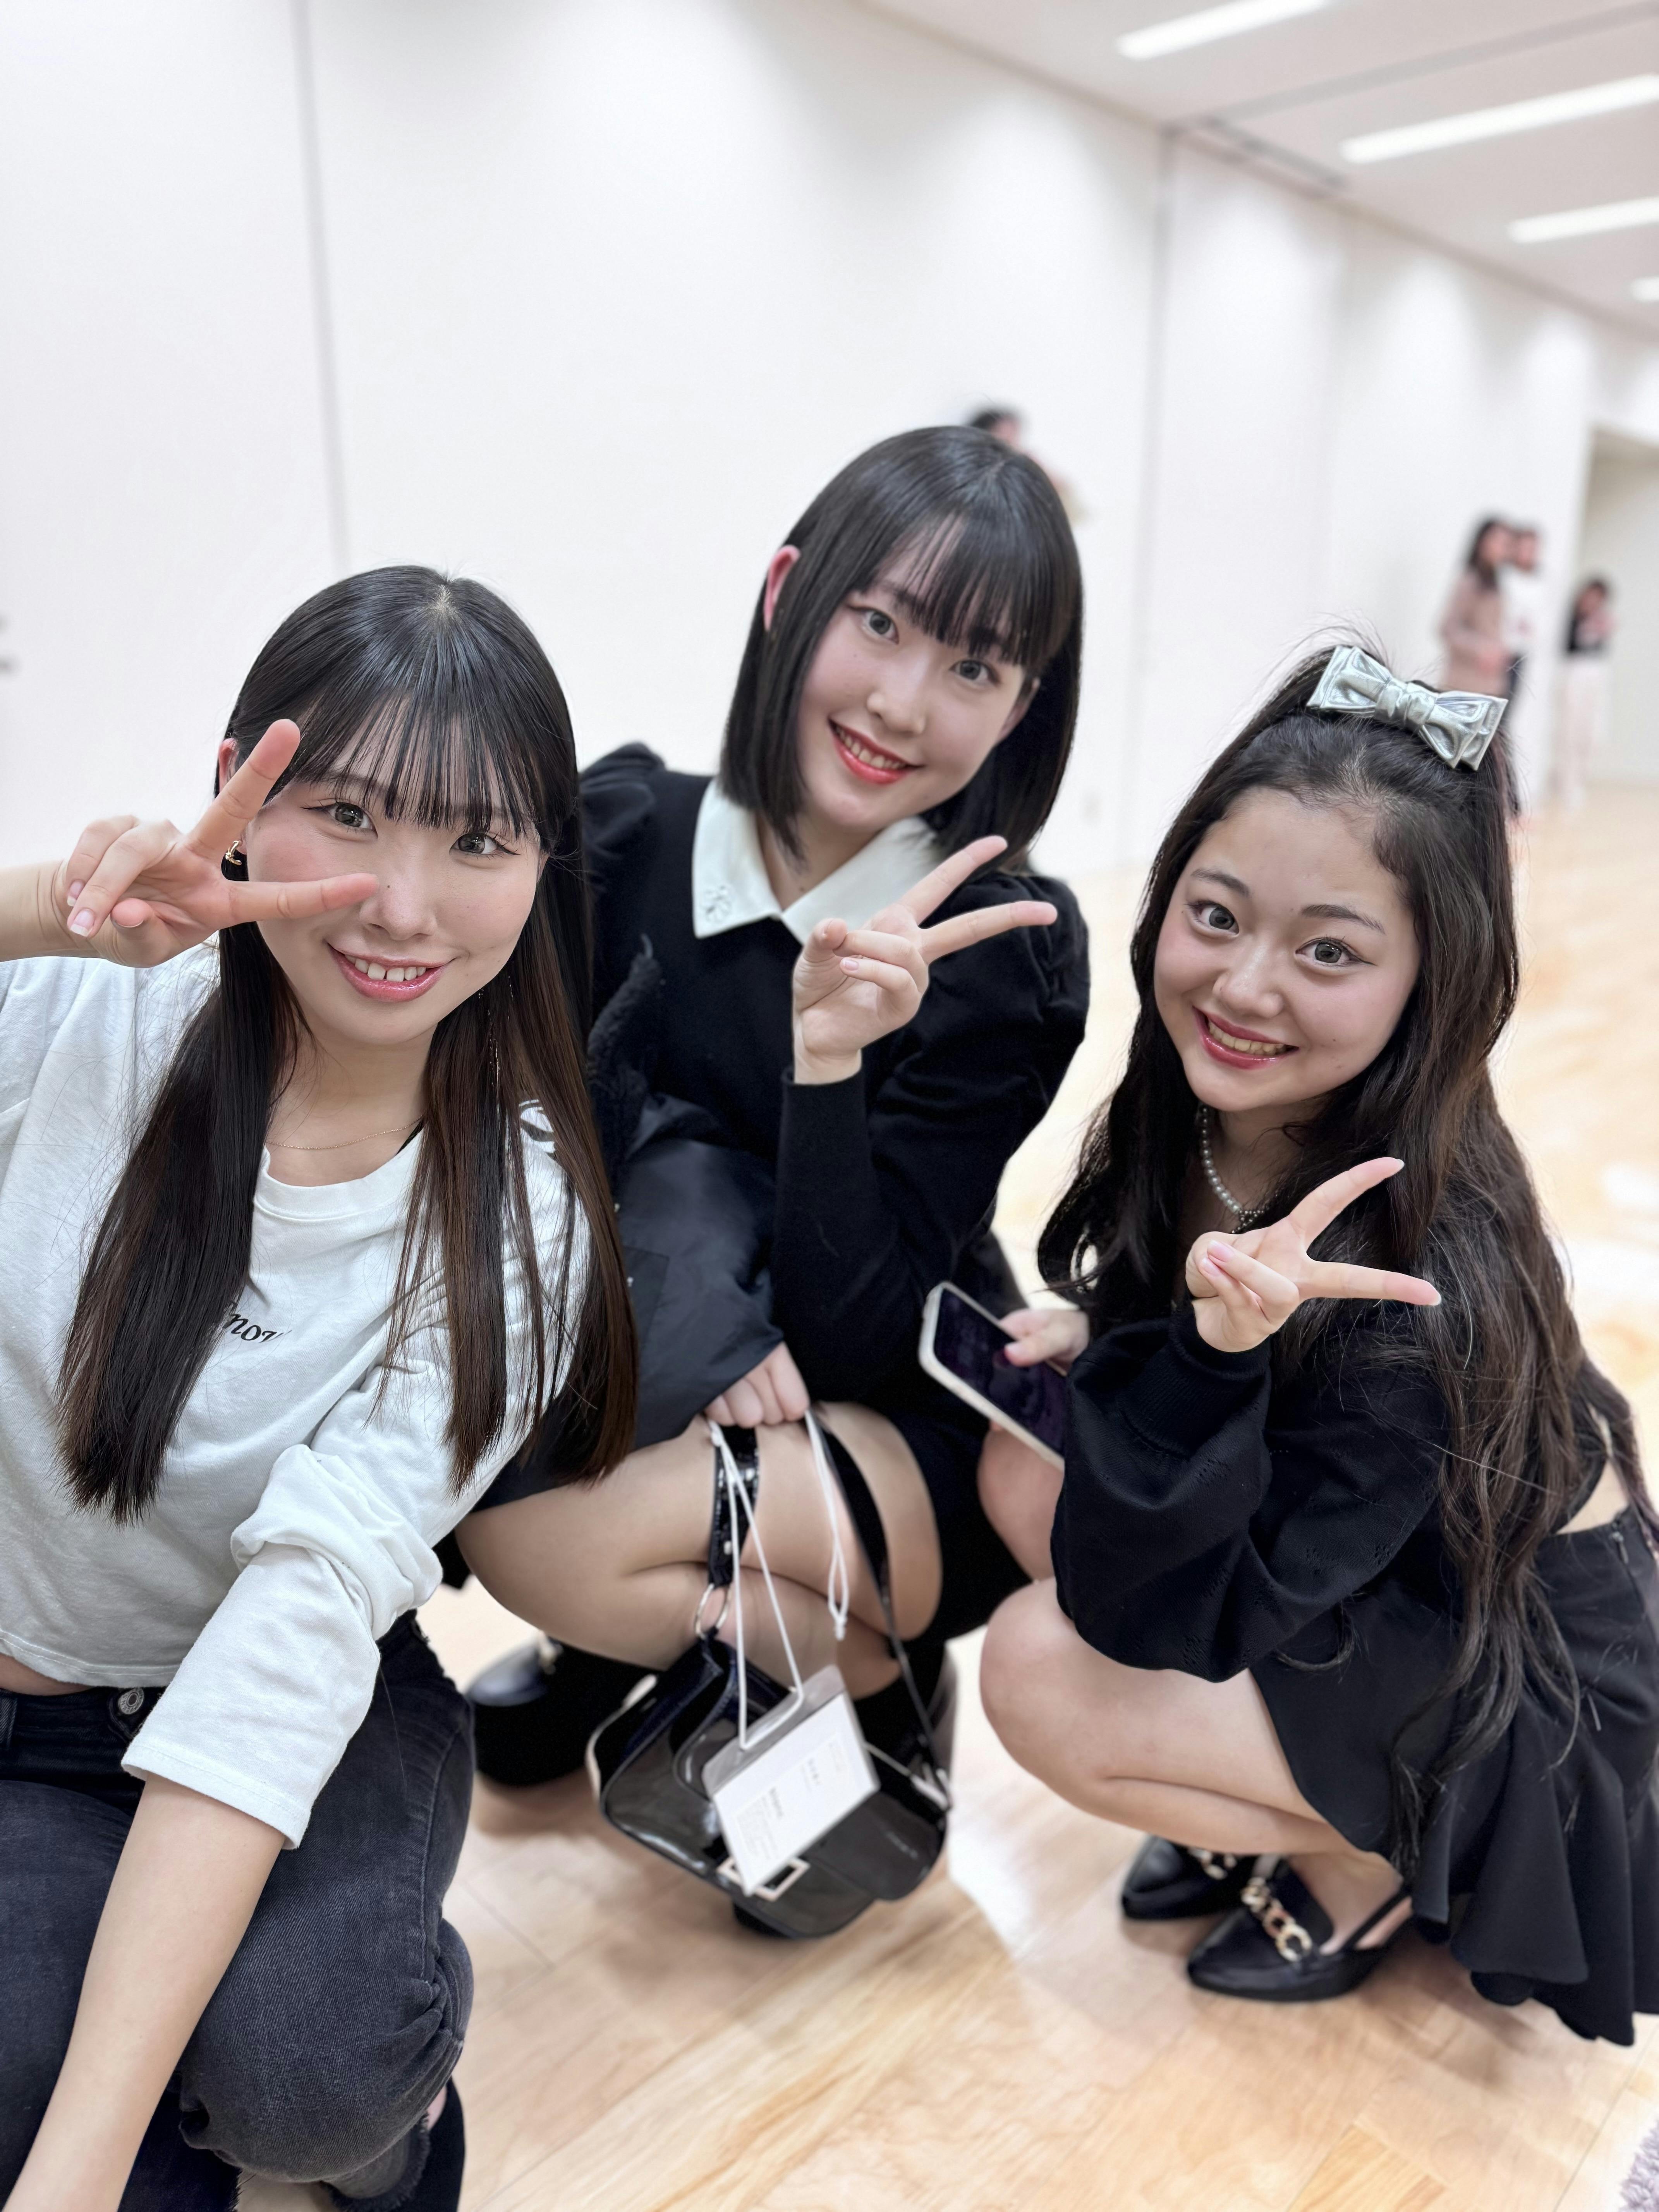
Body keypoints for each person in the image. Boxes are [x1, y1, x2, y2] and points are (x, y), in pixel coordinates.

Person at [0, 568, 636, 2209]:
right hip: (34, 1722)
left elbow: (279, 1657)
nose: (400, 906)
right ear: (237, 786)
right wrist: (44, 910)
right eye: (346, 815)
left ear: (543, 864)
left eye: (476, 841)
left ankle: (387, 2121)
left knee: (306, 2075)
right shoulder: (76, 1013)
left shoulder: (517, 1217)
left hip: (306, 1704)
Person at [975, 646, 1659, 2044]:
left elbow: (1189, 1609)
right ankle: (1292, 1792)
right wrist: (1136, 1329)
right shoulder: (1215, 1103)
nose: (1243, 985)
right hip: (1386, 1556)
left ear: (1431, 980)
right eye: (1215, 914)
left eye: (1329, 950)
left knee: (1037, 1668)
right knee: (1023, 1462)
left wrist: (1205, 1359)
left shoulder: (1415, 1278)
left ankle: (1359, 1861)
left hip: (1521, 1656)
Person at [460, 425, 1089, 1819]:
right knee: (477, 1458)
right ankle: (655, 1645)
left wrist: (827, 1066)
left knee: (536, 1537)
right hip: (660, 1331)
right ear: (787, 590)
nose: (903, 703)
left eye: (974, 668)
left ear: (1020, 707)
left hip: (885, 1406)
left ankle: (867, 1682)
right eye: (880, 623)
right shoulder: (623, 832)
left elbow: (860, 1327)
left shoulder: (1003, 955)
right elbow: (533, 1142)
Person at [1549, 577, 1616, 813]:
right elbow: (1566, 648)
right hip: (1574, 675)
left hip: (1595, 676)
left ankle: (1578, 781)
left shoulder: (1602, 620)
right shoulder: (1570, 618)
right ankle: (1565, 783)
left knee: (1590, 733)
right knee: (1570, 731)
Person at [1438, 517, 1512, 695]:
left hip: (1489, 685)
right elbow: (1448, 628)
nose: (1504, 548)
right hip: (1464, 686)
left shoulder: (1498, 584)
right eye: (1499, 542)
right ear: (1483, 543)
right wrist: (1481, 650)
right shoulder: (1470, 581)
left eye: (1507, 544)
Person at [1500, 522, 1546, 704]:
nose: (1528, 553)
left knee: (1509, 705)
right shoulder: (1503, 575)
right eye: (1524, 547)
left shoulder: (1541, 582)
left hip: (1521, 653)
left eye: (1533, 549)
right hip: (1498, 649)